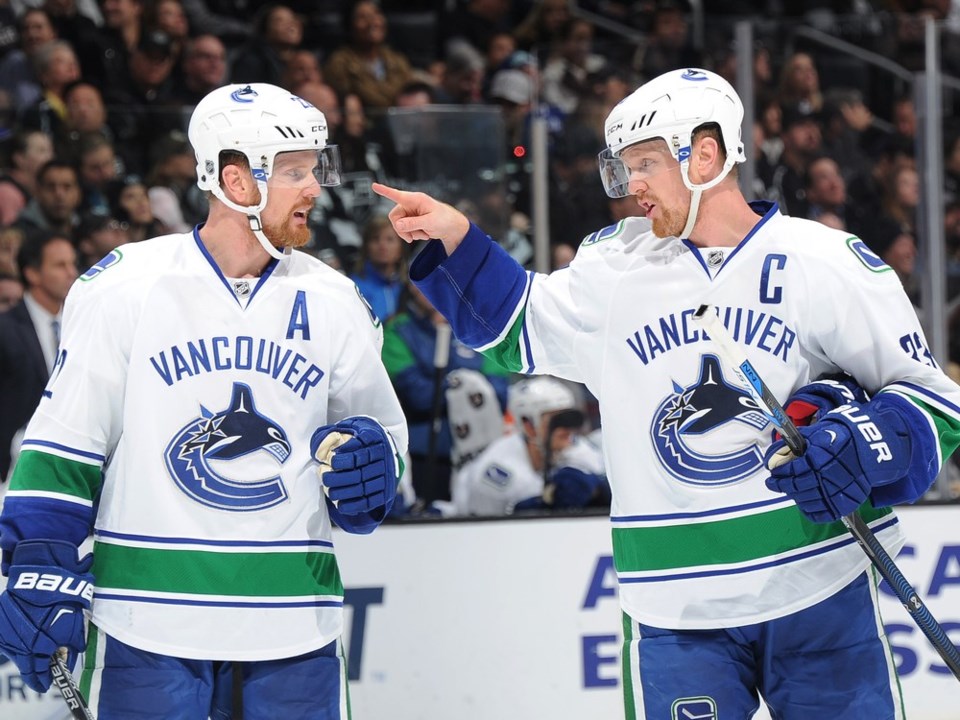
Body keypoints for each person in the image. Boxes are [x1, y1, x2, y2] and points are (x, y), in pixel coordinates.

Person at [372, 67, 960, 719]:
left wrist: (863, 447)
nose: (633, 187)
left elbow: (932, 403)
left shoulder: (826, 262)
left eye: (646, 163)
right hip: (677, 609)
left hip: (817, 586)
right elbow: (517, 328)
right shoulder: (615, 268)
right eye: (624, 168)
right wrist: (457, 241)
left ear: (706, 153)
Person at [0, 82, 408, 719]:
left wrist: (373, 467)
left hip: (295, 623)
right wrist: (36, 559)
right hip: (147, 623)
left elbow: (380, 435)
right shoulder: (125, 287)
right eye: (295, 171)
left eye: (314, 169)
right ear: (235, 179)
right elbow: (65, 443)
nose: (314, 188)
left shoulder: (337, 301)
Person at [453, 375, 607, 516]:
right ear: (528, 425)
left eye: (567, 417)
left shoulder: (578, 448)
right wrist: (547, 500)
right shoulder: (498, 470)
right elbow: (489, 533)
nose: (566, 429)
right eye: (556, 419)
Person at [0, 231, 77, 481]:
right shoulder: (6, 329)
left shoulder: (81, 326)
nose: (71, 273)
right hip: (12, 472)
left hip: (68, 466)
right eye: (60, 265)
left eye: (72, 263)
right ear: (32, 273)